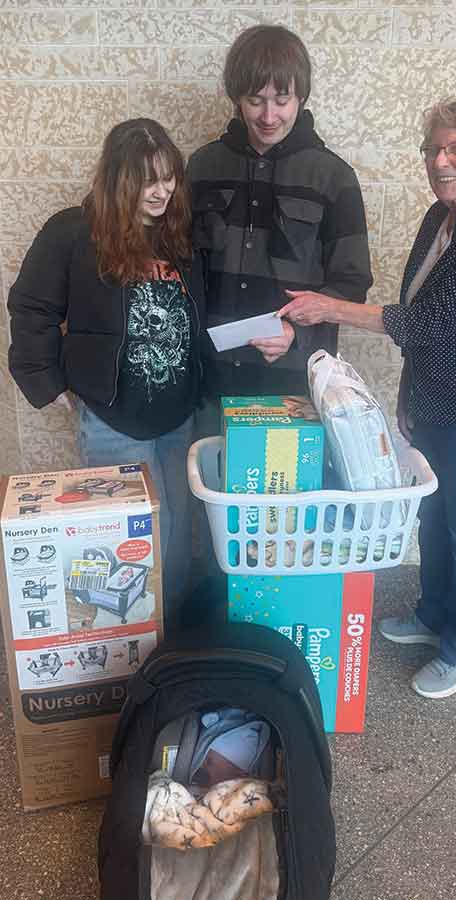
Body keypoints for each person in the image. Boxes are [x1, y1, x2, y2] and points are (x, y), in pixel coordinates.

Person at [278, 94, 456, 700]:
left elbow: (436, 322)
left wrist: (330, 307)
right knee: (434, 516)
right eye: (432, 148)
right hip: (437, 397)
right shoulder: (439, 217)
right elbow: (422, 316)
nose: (440, 160)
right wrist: (408, 399)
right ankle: (432, 616)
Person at [8, 118, 206, 635]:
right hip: (113, 418)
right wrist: (44, 380)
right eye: (147, 181)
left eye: (169, 178)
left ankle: (176, 638)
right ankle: (138, 645)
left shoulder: (178, 233)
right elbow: (31, 306)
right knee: (138, 542)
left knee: (180, 533)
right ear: (119, 180)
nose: (162, 191)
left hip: (178, 413)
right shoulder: (72, 231)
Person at [186, 23, 372, 407]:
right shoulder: (202, 167)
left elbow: (351, 283)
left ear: (300, 97)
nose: (269, 115)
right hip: (209, 379)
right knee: (205, 469)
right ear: (237, 98)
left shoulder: (334, 177)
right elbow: (181, 267)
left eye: (282, 99)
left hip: (296, 384)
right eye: (256, 100)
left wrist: (295, 334)